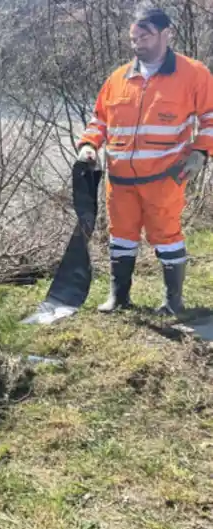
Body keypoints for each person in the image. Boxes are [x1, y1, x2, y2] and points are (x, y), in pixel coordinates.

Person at [77, 3, 213, 316]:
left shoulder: (193, 74)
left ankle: (172, 302)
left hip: (165, 176)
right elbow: (100, 119)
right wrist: (88, 145)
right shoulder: (118, 79)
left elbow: (210, 117)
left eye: (145, 36)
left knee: (165, 237)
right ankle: (119, 298)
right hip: (120, 179)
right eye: (134, 37)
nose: (138, 43)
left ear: (167, 34)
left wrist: (201, 152)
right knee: (121, 236)